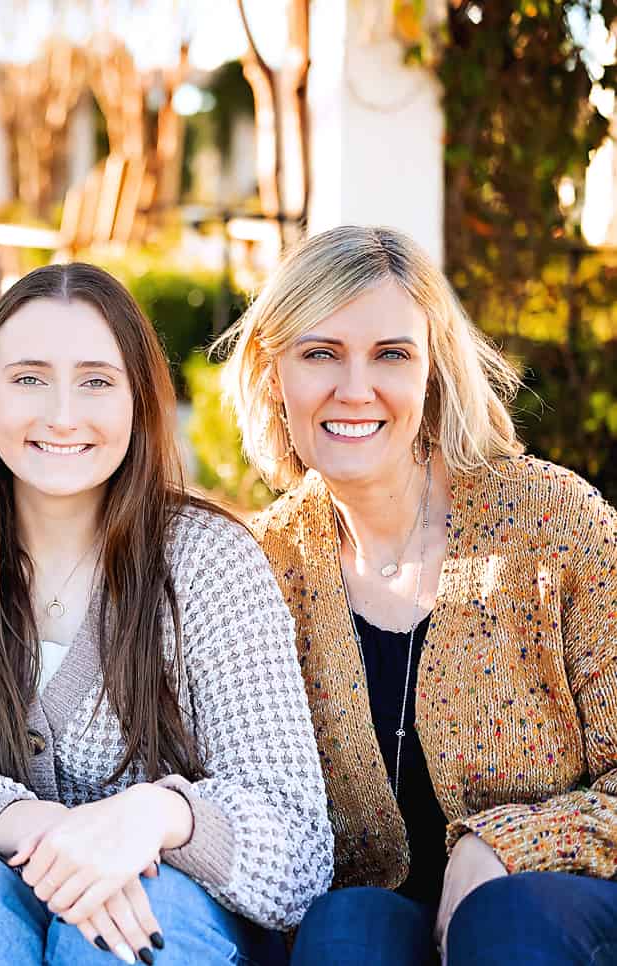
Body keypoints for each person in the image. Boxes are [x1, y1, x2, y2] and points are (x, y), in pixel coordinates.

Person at [0, 262, 331, 966]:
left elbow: (297, 846)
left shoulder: (210, 561)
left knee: (111, 935)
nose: (62, 414)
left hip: (170, 898)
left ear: (140, 399)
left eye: (96, 381)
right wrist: (66, 840)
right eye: (28, 379)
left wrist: (153, 818)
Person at [219, 225, 617, 966]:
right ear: (273, 373)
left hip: (551, 916)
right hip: (373, 929)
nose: (355, 389)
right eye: (320, 354)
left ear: (433, 371)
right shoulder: (259, 565)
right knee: (347, 929)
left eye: (391, 355)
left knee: (505, 919)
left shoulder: (556, 525)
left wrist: (506, 846)